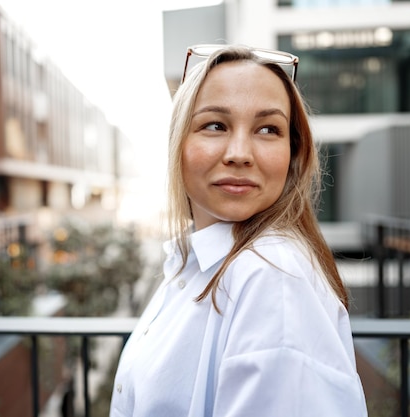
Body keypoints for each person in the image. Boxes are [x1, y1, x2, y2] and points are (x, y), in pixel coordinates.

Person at [109, 44, 368, 417]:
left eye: (268, 129)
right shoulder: (193, 263)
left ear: (293, 155)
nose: (240, 152)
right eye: (215, 125)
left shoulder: (271, 275)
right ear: (178, 144)